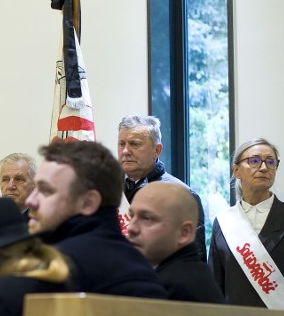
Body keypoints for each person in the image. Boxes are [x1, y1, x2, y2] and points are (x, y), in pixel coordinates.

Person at [25, 140, 167, 299]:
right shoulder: (142, 268)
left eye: (45, 191)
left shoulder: (56, 269)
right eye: (35, 188)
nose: (30, 200)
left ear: (88, 203)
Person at [209, 138, 284, 310]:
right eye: (254, 161)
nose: (264, 168)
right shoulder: (223, 222)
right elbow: (215, 285)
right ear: (237, 171)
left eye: (270, 162)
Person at [117, 114, 206, 260]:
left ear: (157, 150)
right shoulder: (105, 189)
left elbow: (193, 260)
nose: (126, 151)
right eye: (122, 144)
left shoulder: (182, 195)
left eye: (135, 144)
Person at [127, 182, 224, 303]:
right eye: (131, 216)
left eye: (147, 218)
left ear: (184, 233)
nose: (131, 228)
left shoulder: (167, 288)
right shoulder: (193, 275)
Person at [0, 152, 36, 218]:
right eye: (6, 179)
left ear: (34, 185)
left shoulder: (44, 221)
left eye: (19, 179)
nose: (10, 186)